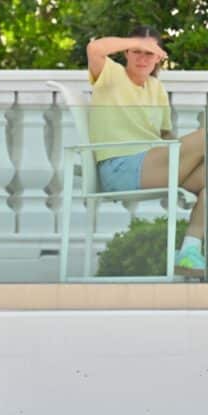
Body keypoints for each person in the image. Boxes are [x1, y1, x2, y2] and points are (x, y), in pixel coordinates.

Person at [87, 26, 206, 279]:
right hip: (120, 169)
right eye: (136, 51)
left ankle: (189, 251)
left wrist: (195, 155)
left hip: (152, 165)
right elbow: (94, 48)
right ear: (126, 53)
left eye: (149, 53)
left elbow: (165, 138)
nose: (142, 58)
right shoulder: (111, 75)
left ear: (158, 58)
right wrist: (138, 40)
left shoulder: (156, 89)